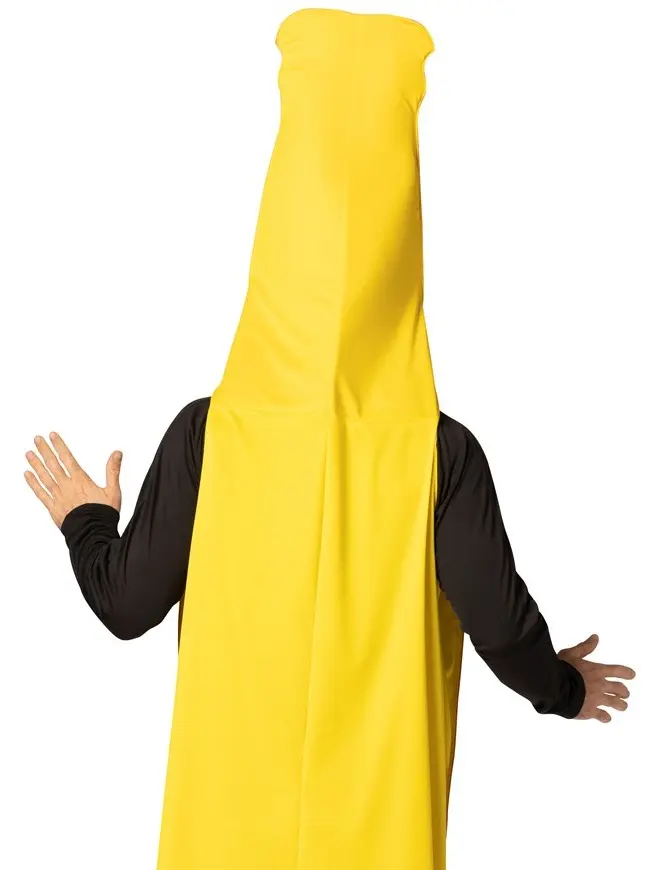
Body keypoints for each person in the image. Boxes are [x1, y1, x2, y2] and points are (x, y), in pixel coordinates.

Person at [24, 9, 635, 870]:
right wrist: (561, 689)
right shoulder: (438, 453)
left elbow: (125, 606)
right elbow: (499, 628)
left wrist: (86, 521)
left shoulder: (211, 434)